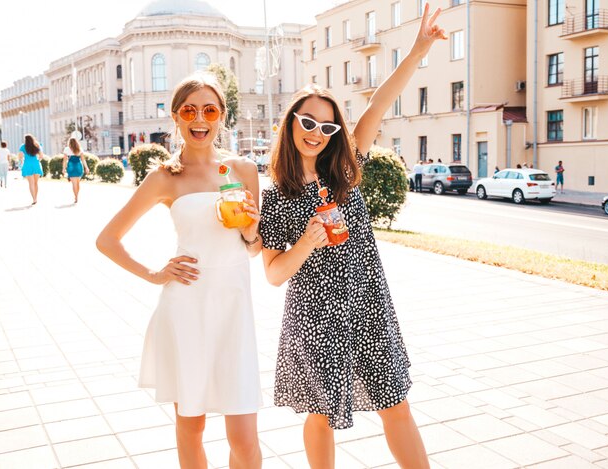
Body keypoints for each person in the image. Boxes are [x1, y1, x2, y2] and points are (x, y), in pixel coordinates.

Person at [259, 4, 445, 468]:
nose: (315, 133)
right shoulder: (278, 198)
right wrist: (305, 241)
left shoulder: (344, 169)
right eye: (306, 122)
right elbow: (274, 274)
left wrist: (419, 49)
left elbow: (380, 101)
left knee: (395, 404)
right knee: (321, 414)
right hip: (316, 316)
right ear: (291, 123)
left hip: (368, 304)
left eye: (326, 126)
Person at [96, 72, 263, 469]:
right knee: (192, 426)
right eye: (189, 110)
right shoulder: (163, 178)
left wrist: (252, 228)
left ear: (222, 116)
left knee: (244, 439)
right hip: (186, 308)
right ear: (176, 117)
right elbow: (107, 240)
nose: (199, 118)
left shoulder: (244, 170)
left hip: (234, 310)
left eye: (209, 109)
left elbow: (253, 251)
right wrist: (155, 273)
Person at [19, 134, 44, 204]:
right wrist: (38, 160)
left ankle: (34, 199)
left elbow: (20, 157)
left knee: (31, 183)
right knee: (36, 183)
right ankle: (36, 197)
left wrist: (22, 160)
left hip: (27, 165)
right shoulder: (37, 145)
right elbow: (41, 156)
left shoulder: (22, 146)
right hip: (36, 164)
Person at [62, 138, 89, 203]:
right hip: (78, 166)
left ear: (69, 143)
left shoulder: (66, 149)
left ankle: (75, 197)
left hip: (71, 166)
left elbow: (65, 160)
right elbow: (83, 159)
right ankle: (77, 196)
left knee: (74, 184)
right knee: (78, 183)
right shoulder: (80, 149)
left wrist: (63, 169)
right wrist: (86, 167)